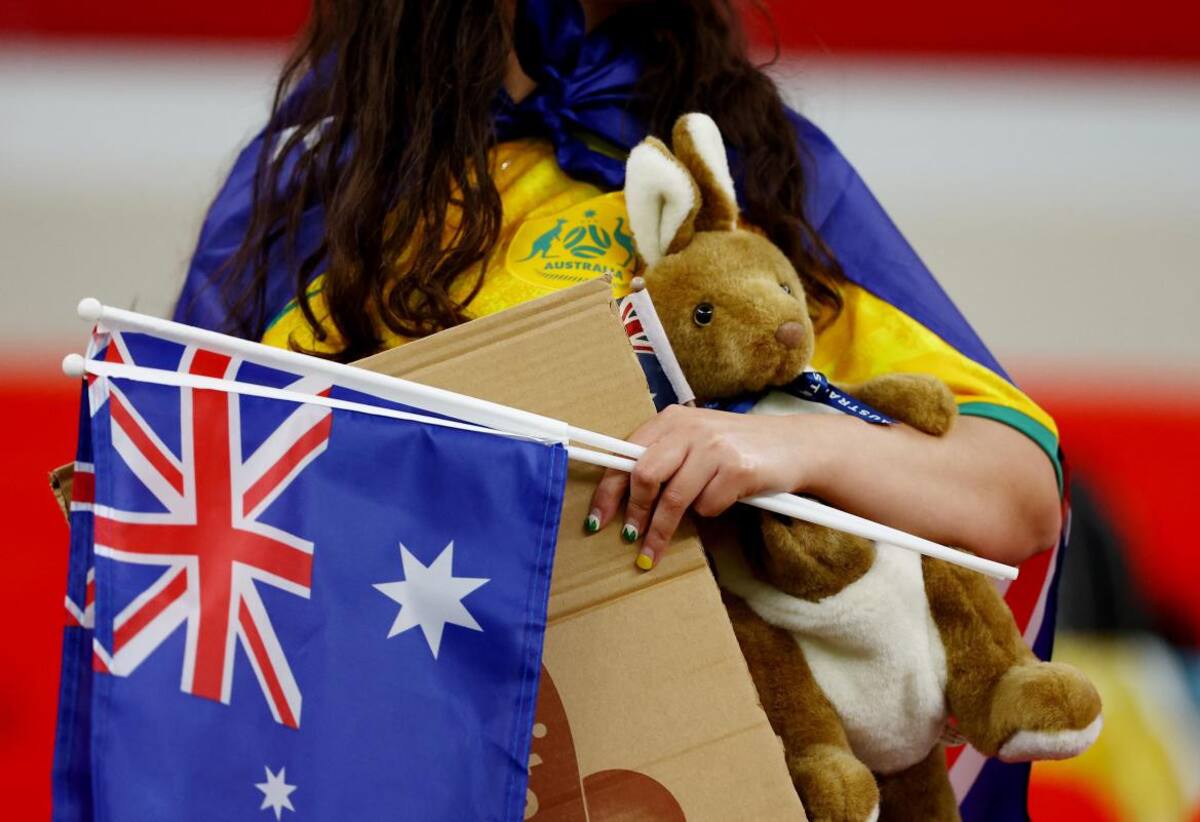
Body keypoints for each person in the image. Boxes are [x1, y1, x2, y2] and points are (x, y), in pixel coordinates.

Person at [175, 2, 1065, 814]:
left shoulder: (753, 160)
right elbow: (184, 504)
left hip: (709, 764)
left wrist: (789, 447)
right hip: (401, 762)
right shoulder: (316, 187)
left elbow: (1019, 491)